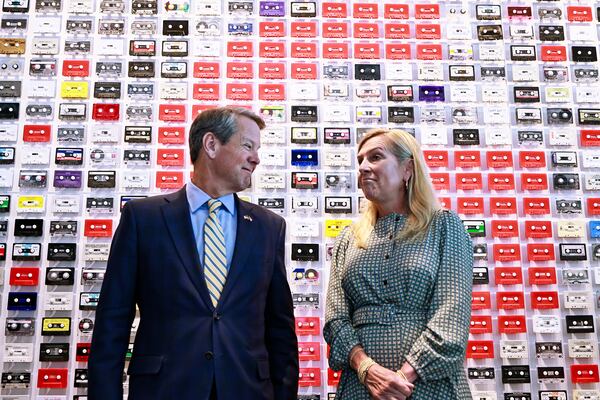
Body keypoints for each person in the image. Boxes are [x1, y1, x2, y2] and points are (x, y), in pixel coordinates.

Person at [88, 106, 299, 400]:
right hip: (164, 390)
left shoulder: (268, 227)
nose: (256, 158)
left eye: (257, 149)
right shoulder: (143, 218)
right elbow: (112, 323)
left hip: (247, 390)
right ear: (211, 145)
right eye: (247, 146)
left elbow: (280, 331)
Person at [323, 128, 473, 400]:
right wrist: (367, 369)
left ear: (407, 169)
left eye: (376, 157)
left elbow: (451, 314)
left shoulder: (443, 226)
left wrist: (401, 378)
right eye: (360, 161)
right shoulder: (348, 237)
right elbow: (336, 318)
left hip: (430, 386)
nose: (364, 167)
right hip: (361, 387)